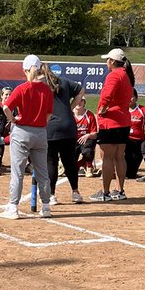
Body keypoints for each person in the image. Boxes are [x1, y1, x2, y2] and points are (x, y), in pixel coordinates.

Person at [0, 54, 54, 220]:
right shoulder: (46, 90)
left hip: (22, 132)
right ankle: (46, 207)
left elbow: (6, 107)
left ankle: (13, 207)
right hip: (40, 132)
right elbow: (49, 114)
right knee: (42, 172)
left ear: (25, 70)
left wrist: (13, 119)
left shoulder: (22, 88)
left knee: (18, 172)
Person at [91, 47, 133, 202]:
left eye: (108, 60)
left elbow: (107, 96)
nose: (106, 63)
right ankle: (119, 190)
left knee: (107, 157)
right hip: (123, 121)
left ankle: (105, 192)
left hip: (111, 121)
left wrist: (102, 109)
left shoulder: (114, 75)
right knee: (119, 157)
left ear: (113, 61)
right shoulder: (126, 76)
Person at [44, 64, 84, 204]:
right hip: (68, 126)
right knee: (69, 160)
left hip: (51, 127)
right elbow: (81, 90)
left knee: (51, 161)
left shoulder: (41, 84)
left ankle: (52, 195)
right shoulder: (64, 81)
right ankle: (75, 192)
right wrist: (70, 107)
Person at [73, 94, 98, 177]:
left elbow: (94, 134)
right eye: (77, 100)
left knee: (88, 151)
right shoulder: (69, 114)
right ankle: (77, 165)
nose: (79, 103)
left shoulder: (89, 115)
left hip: (86, 140)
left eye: (81, 101)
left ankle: (89, 166)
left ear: (84, 103)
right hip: (73, 140)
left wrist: (87, 135)